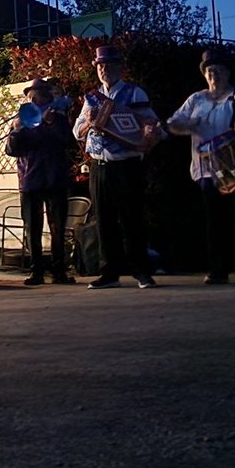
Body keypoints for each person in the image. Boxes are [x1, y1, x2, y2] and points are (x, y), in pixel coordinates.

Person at [166, 49, 235, 284]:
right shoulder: (196, 99)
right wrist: (185, 124)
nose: (214, 75)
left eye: (218, 70)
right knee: (215, 221)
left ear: (227, 73)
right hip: (209, 169)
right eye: (209, 71)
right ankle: (218, 270)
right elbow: (174, 121)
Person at [72, 44, 164, 290]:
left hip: (127, 165)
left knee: (132, 219)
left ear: (119, 67)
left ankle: (142, 271)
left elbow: (150, 123)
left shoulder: (134, 94)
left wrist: (148, 131)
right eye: (100, 65)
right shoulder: (91, 97)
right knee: (104, 221)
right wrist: (88, 124)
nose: (104, 70)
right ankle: (109, 272)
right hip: (99, 166)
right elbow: (77, 132)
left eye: (109, 65)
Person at [5, 78, 77, 286]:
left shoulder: (59, 117)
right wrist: (16, 131)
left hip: (55, 178)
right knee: (32, 228)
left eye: (38, 95)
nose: (35, 99)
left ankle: (58, 271)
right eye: (31, 95)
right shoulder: (22, 118)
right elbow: (11, 150)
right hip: (29, 179)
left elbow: (67, 142)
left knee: (58, 227)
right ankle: (36, 271)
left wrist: (50, 123)